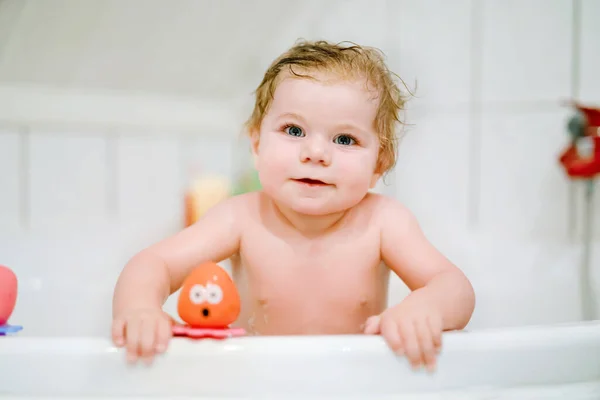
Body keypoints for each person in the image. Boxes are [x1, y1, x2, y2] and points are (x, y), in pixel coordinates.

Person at [111, 39, 476, 372]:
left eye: (345, 138)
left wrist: (424, 308)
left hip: (354, 381)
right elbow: (153, 263)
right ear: (256, 144)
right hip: (257, 381)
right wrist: (140, 309)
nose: (315, 153)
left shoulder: (383, 221)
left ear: (379, 164)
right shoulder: (241, 217)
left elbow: (454, 287)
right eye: (294, 130)